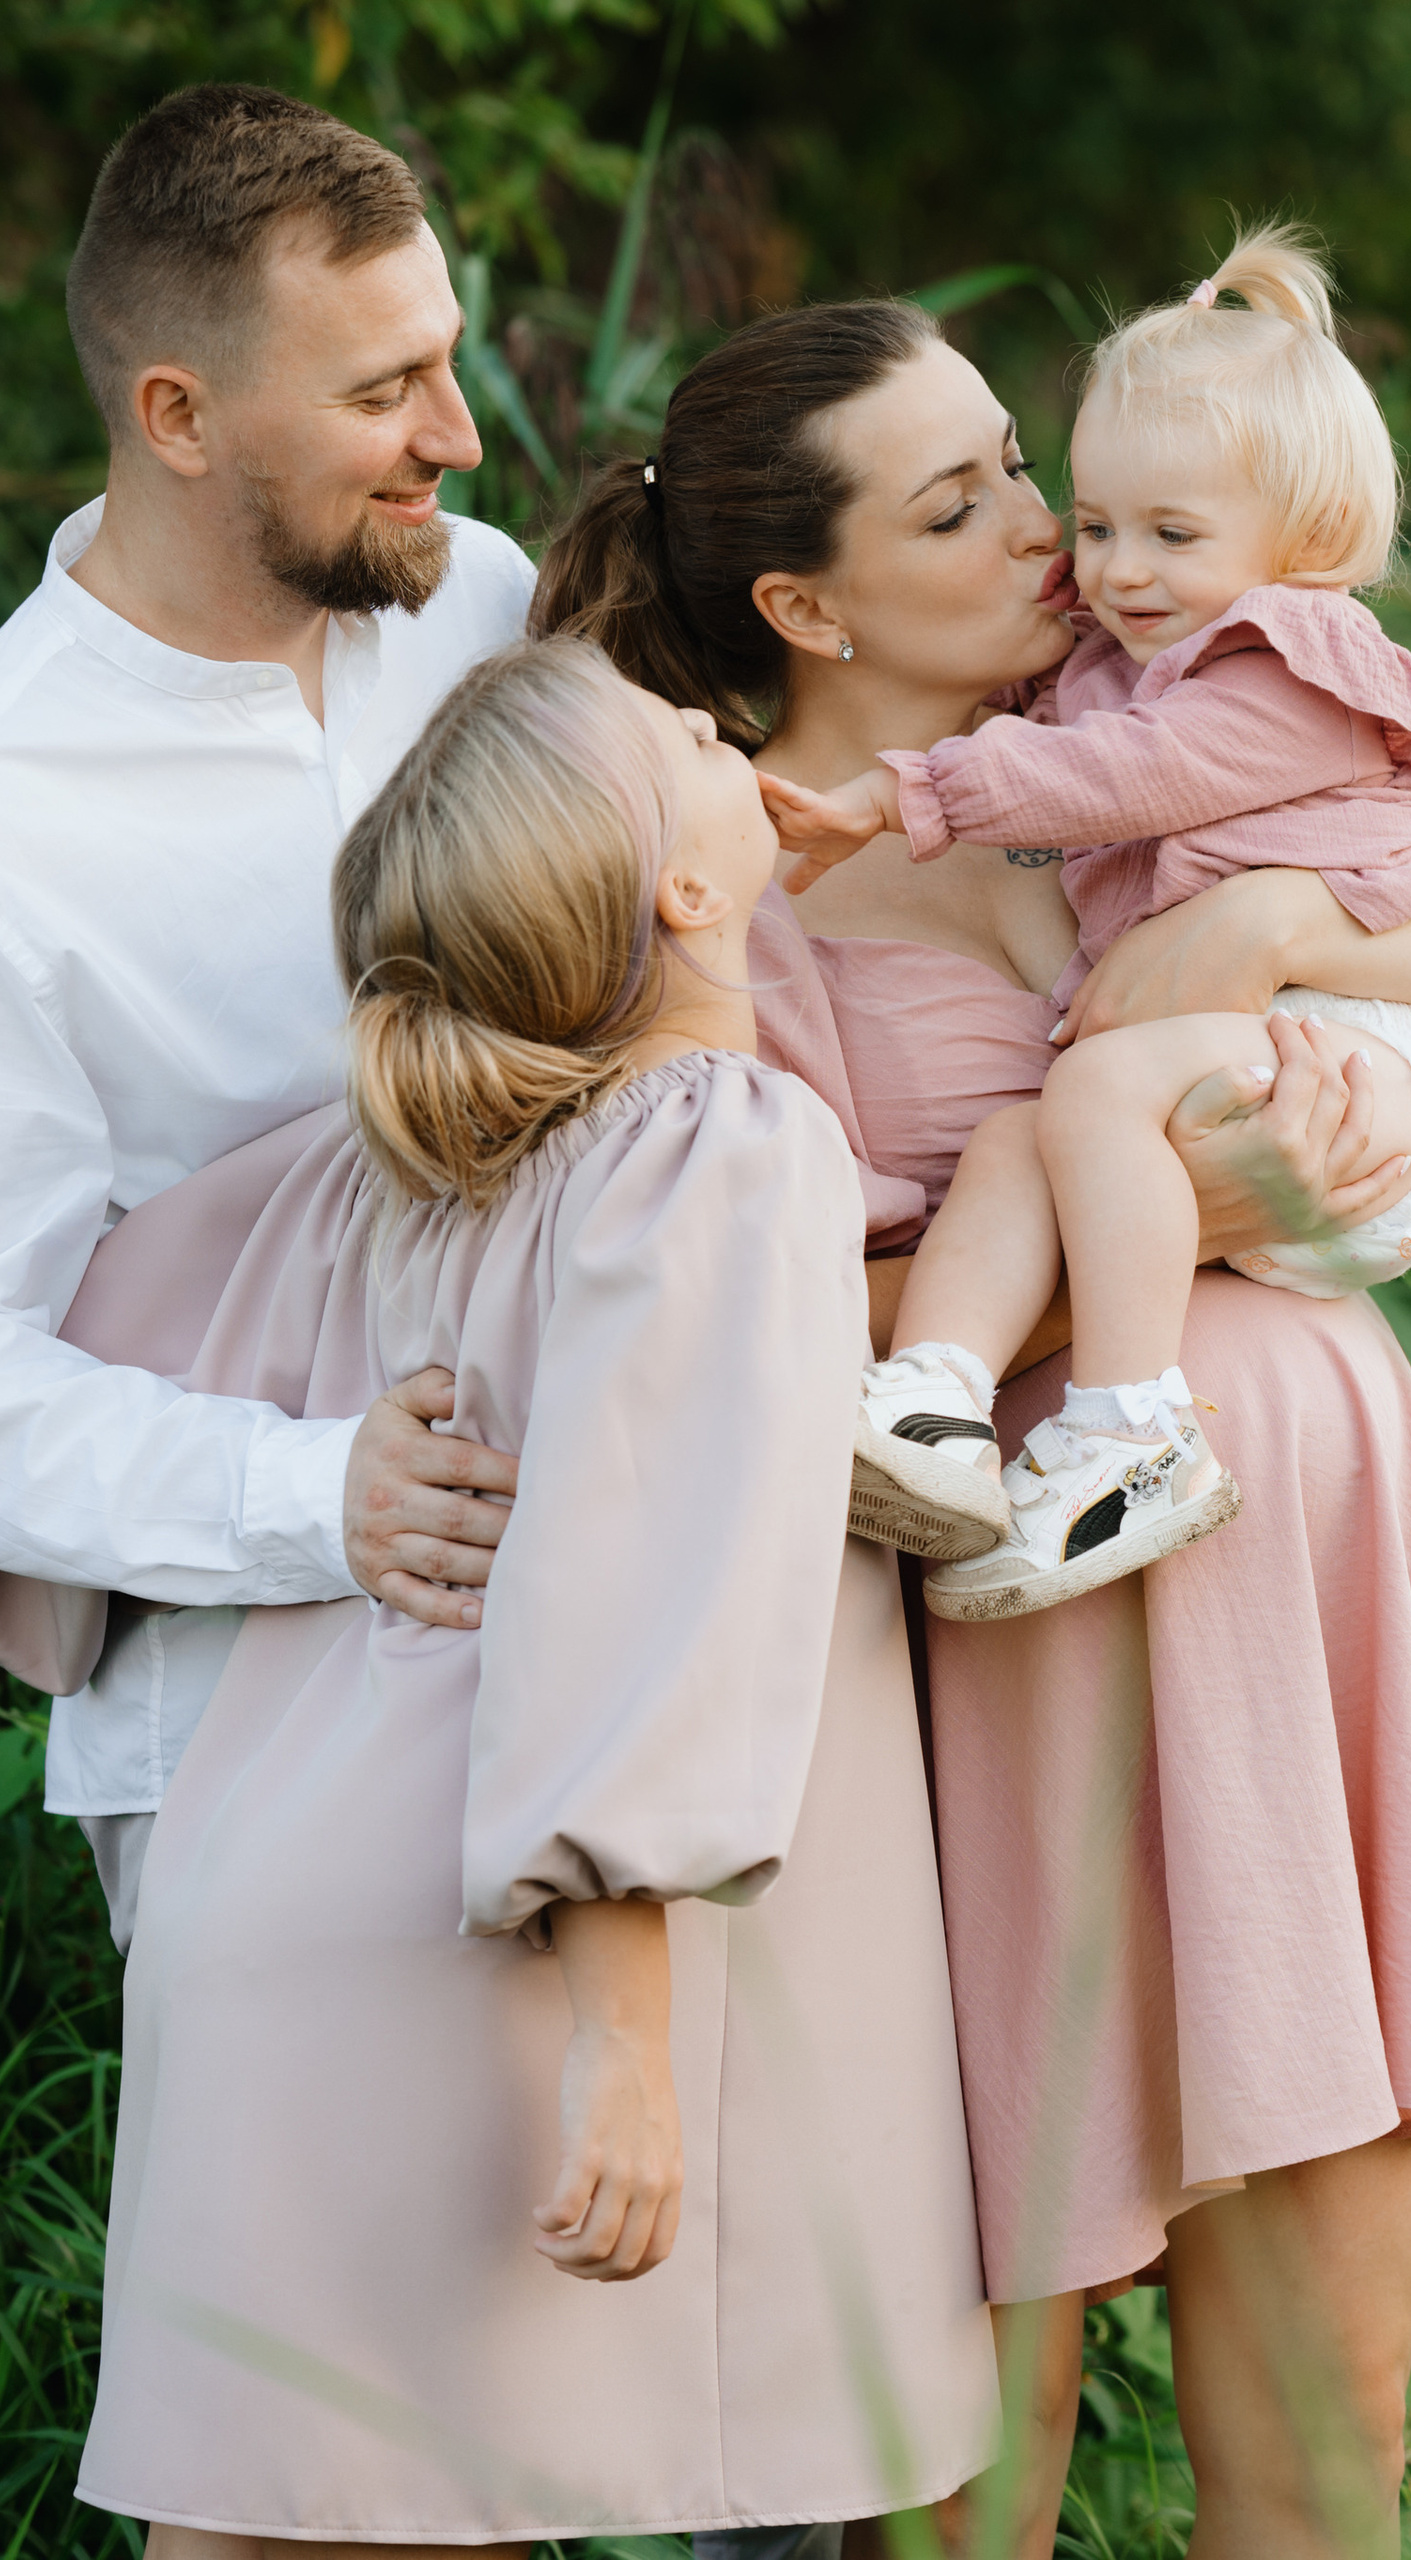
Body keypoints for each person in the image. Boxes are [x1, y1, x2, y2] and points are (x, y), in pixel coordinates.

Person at [536, 289, 1411, 2559]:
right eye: (965, 503)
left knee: (1323, 2458)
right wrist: (1184, 1203)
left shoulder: (1188, 717)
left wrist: (1304, 928)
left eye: (1023, 464)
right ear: (804, 603)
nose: (1044, 526)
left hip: (1302, 1589)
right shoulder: (727, 881)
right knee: (959, 2471)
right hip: (992, 1656)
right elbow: (697, 1317)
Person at [75, 637, 997, 2551]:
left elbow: (120, 1310)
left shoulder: (394, 1158)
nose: (711, 718)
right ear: (680, 888)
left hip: (262, 1908)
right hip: (480, 1962)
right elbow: (650, 1589)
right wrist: (627, 2033)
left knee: (275, 2519)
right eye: (681, 734)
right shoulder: (725, 1154)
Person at [762, 224, 1411, 1623]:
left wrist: (908, 797)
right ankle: (934, 1405)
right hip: (1242, 1073)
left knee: (1093, 1089)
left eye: (1169, 535)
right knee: (1034, 1132)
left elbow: (1131, 781)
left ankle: (1136, 1426)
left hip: (1343, 1070)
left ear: (1300, 546)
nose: (1105, 567)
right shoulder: (1128, 665)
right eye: (1094, 520)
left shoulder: (1285, 662)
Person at [0, 84, 533, 1947]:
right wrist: (327, 1499)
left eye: (446, 364)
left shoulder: (485, 610)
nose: (456, 440)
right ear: (177, 415)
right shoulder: (16, 812)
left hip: (584, 1653)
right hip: (242, 1706)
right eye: (384, 391)